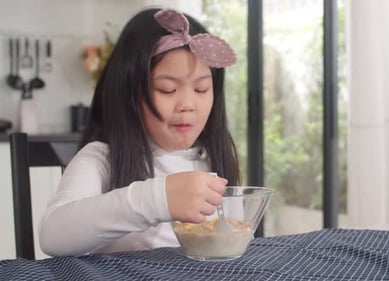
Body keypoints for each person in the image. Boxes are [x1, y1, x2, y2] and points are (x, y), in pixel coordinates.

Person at [39, 8, 240, 256]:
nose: (188, 104)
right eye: (167, 89)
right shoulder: (102, 159)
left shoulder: (214, 158)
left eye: (201, 89)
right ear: (129, 93)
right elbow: (53, 236)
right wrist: (158, 199)